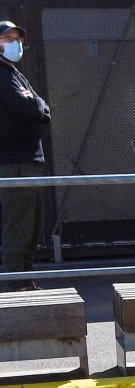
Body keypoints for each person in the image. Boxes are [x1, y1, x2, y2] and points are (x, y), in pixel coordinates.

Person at [0, 20, 50, 292]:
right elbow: (32, 108)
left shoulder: (15, 73)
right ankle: (13, 285)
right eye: (7, 38)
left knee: (32, 229)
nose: (13, 43)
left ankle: (26, 282)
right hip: (13, 162)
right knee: (18, 227)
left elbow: (43, 108)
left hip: (30, 161)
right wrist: (37, 105)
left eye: (16, 38)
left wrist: (37, 105)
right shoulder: (1, 75)